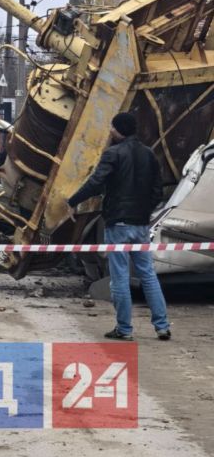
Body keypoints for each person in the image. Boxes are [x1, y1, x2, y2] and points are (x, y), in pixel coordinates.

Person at [67, 111, 171, 341]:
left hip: (118, 224)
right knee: (148, 275)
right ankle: (162, 326)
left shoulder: (112, 154)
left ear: (118, 130)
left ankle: (124, 329)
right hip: (141, 224)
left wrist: (73, 201)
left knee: (120, 277)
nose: (110, 131)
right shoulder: (149, 154)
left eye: (112, 127)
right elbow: (158, 189)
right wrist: (144, 211)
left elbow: (96, 182)